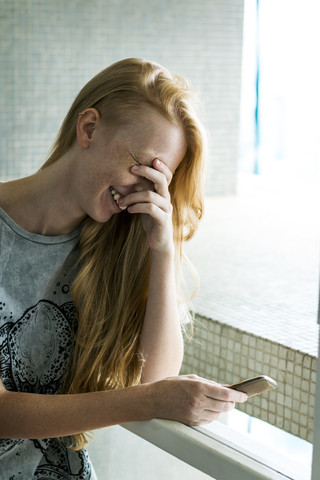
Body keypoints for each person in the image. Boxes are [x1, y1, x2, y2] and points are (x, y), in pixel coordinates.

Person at [0, 58, 247, 479]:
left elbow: (158, 377)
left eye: (158, 179)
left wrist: (163, 251)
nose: (143, 190)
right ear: (89, 128)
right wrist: (145, 402)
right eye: (142, 165)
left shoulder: (115, 247)